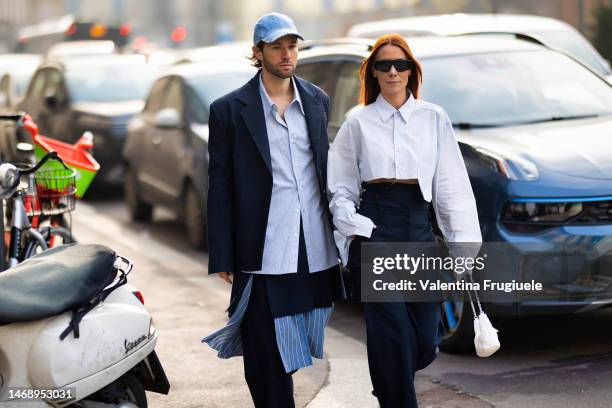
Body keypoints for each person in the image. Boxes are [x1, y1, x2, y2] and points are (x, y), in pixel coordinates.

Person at [327, 34, 482, 408]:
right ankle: (396, 393)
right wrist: (354, 226)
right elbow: (341, 185)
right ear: (373, 74)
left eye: (401, 65)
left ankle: (388, 378)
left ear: (412, 72)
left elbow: (451, 186)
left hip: (418, 227)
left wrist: (463, 248)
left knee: (426, 342)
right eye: (384, 65)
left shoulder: (433, 118)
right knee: (392, 333)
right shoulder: (358, 122)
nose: (393, 71)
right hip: (376, 229)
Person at [202, 12, 345, 408]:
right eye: (278, 46)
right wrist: (223, 254)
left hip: (312, 246)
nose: (287, 54)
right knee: (264, 346)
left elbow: (323, 168)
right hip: (262, 247)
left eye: (292, 46)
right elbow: (220, 185)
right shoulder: (228, 110)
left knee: (294, 341)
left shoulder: (316, 100)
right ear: (257, 52)